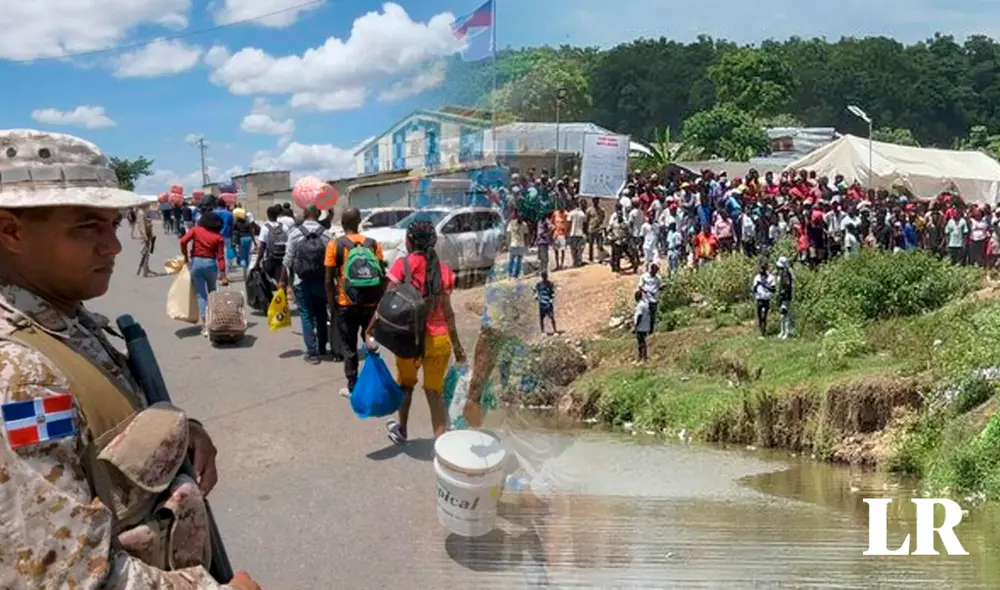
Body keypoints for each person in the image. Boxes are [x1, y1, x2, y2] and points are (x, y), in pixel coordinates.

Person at [0, 129, 259, 589]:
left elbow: (97, 430)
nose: (114, 246)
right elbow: (65, 577)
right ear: (10, 231)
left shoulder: (60, 318)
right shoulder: (20, 375)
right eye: (87, 227)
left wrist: (177, 433)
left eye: (111, 224)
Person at [376, 221, 466, 445]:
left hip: (409, 340)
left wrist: (371, 331)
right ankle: (442, 444)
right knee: (434, 393)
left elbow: (386, 303)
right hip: (439, 340)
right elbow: (448, 313)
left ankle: (402, 430)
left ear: (409, 241)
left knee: (406, 386)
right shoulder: (443, 271)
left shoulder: (402, 265)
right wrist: (458, 346)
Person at [326, 207, 384, 396]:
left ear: (342, 224)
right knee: (371, 342)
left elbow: (328, 279)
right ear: (359, 222)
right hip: (370, 303)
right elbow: (380, 275)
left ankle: (353, 387)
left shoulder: (335, 244)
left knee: (349, 347)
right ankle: (375, 383)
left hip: (346, 303)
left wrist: (332, 304)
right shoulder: (373, 244)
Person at [280, 205, 333, 365]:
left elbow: (287, 259)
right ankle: (322, 347)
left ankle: (312, 353)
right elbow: (332, 260)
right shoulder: (326, 233)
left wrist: (282, 281)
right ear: (318, 214)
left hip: (301, 281)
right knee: (322, 313)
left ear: (304, 214)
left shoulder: (295, 233)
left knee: (306, 315)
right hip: (321, 280)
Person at [180, 211, 229, 336]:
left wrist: (185, 257)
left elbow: (183, 241)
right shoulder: (218, 237)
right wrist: (223, 276)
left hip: (197, 263)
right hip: (211, 265)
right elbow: (221, 257)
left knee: (202, 295)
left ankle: (206, 325)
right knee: (212, 292)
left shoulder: (196, 230)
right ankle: (215, 321)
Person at [751, 261, 776, 337]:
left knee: (764, 316)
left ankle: (764, 331)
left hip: (766, 299)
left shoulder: (771, 277)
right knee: (759, 316)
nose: (761, 270)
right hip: (759, 299)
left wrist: (763, 284)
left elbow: (773, 289)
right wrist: (754, 288)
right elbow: (754, 289)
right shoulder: (757, 277)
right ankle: (761, 330)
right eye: (760, 269)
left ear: (766, 269)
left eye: (763, 269)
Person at [637, 263, 662, 333]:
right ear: (651, 270)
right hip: (646, 299)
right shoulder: (644, 276)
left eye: (655, 272)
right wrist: (646, 291)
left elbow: (659, 286)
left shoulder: (658, 278)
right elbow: (640, 286)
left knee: (652, 315)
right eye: (653, 272)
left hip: (654, 299)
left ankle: (651, 330)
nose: (654, 273)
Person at [231, 207, 254, 274]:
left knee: (242, 255)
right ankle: (247, 268)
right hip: (249, 239)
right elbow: (251, 232)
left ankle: (244, 270)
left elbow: (232, 231)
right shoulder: (247, 222)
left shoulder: (236, 222)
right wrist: (255, 242)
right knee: (247, 254)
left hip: (242, 239)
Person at [506, 211, 529, 279]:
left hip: (521, 245)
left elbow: (526, 235)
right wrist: (508, 244)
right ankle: (509, 274)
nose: (520, 219)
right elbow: (508, 234)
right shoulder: (512, 223)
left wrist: (526, 245)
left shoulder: (524, 224)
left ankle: (516, 275)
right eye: (520, 218)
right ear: (517, 217)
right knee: (511, 260)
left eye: (522, 218)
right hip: (513, 244)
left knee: (519, 261)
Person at [776, 257, 794, 339]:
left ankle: (786, 332)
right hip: (782, 296)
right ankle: (782, 331)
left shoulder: (786, 273)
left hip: (785, 297)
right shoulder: (782, 272)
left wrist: (783, 293)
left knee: (785, 315)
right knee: (782, 315)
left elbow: (787, 285)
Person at [136, 205, 156, 278]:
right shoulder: (141, 213)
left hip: (148, 235)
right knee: (144, 254)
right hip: (145, 237)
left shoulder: (143, 212)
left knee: (147, 254)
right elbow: (141, 226)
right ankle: (145, 272)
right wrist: (145, 237)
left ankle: (147, 269)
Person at [568, 199, 588, 267]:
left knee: (573, 249)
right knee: (579, 249)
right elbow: (585, 224)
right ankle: (579, 262)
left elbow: (569, 223)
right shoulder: (582, 214)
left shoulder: (571, 213)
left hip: (572, 233)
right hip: (580, 233)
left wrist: (568, 232)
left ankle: (574, 262)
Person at [586, 197, 605, 263]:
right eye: (595, 200)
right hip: (591, 229)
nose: (596, 202)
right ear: (593, 201)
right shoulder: (589, 210)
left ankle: (600, 258)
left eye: (597, 200)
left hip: (599, 229)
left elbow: (603, 218)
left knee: (599, 244)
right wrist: (586, 229)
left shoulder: (602, 210)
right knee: (591, 244)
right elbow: (587, 220)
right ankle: (591, 257)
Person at [633, 290, 651, 362]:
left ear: (636, 297)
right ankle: (643, 358)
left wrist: (636, 326)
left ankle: (642, 358)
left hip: (640, 327)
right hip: (645, 326)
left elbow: (639, 316)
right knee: (643, 342)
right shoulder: (645, 304)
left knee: (641, 343)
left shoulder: (640, 305)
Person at [551, 206, 569, 271]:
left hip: (563, 234)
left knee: (563, 249)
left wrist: (567, 232)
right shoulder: (555, 213)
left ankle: (562, 264)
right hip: (556, 234)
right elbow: (551, 222)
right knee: (556, 250)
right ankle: (557, 265)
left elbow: (569, 223)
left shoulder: (566, 214)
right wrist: (553, 228)